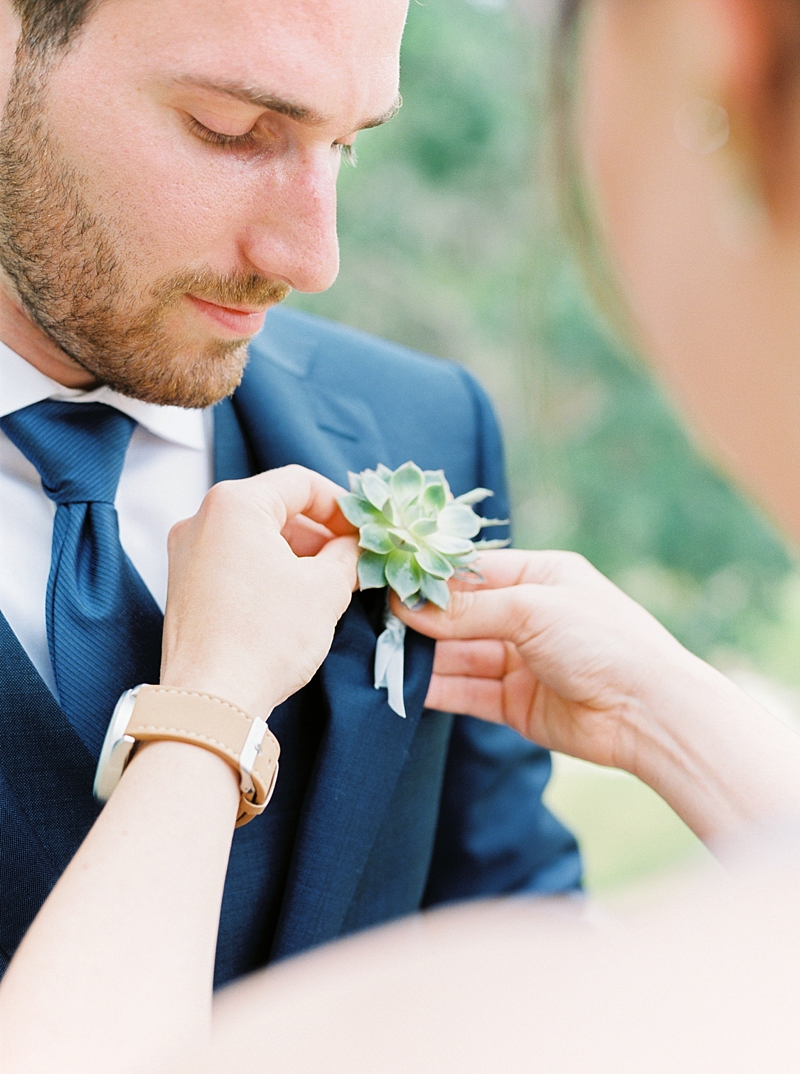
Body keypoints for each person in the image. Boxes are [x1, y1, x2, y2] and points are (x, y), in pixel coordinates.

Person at [0, 0, 581, 996]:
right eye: (229, 131)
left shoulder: (422, 427)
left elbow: (508, 937)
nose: (312, 260)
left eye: (344, 147)